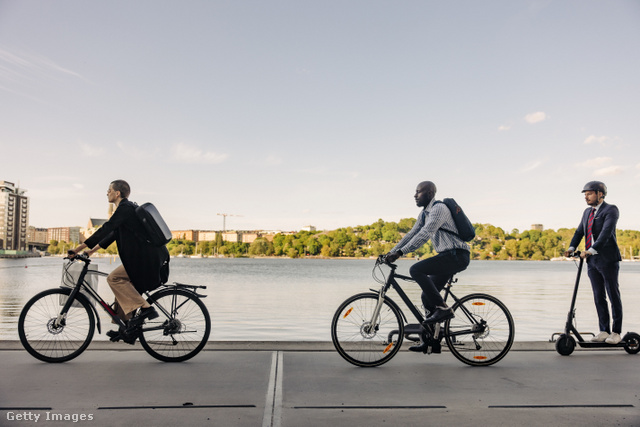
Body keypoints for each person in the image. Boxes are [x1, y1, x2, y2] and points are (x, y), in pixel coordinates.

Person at [70, 180, 170, 342]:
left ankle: (146, 309)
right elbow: (113, 235)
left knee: (114, 279)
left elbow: (106, 228)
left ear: (117, 193)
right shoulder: (126, 210)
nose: (107, 193)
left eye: (109, 190)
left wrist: (77, 249)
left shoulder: (124, 208)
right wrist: (90, 251)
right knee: (122, 290)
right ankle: (127, 329)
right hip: (146, 258)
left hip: (146, 259)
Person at [384, 181, 470, 353]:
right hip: (447, 256)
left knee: (416, 270)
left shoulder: (438, 209)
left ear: (430, 194)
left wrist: (400, 253)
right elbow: (412, 234)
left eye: (418, 192)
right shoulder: (424, 214)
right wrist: (390, 252)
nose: (414, 195)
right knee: (426, 297)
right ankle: (431, 341)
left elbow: (425, 234)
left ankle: (444, 309)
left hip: (457, 255)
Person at [564, 181, 623, 345]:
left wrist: (591, 249)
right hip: (592, 261)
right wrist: (571, 247)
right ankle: (604, 330)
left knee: (613, 295)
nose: (586, 197)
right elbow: (579, 231)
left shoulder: (611, 210)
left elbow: (606, 233)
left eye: (589, 193)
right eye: (585, 194)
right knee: (598, 296)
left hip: (607, 259)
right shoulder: (586, 212)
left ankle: (616, 332)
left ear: (600, 194)